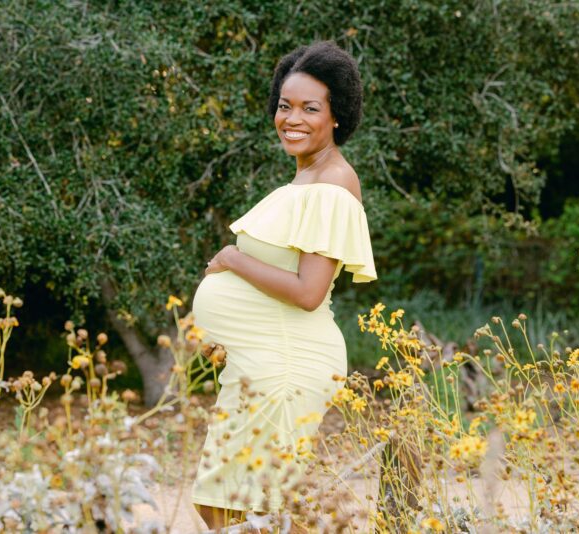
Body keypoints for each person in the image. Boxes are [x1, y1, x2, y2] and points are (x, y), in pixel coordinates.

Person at [190, 40, 377, 531]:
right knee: (224, 503)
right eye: (284, 106)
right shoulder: (305, 181)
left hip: (287, 367)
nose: (292, 118)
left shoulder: (333, 183)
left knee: (244, 506)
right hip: (263, 362)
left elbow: (307, 291)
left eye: (310, 108)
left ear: (337, 115)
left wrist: (231, 257)